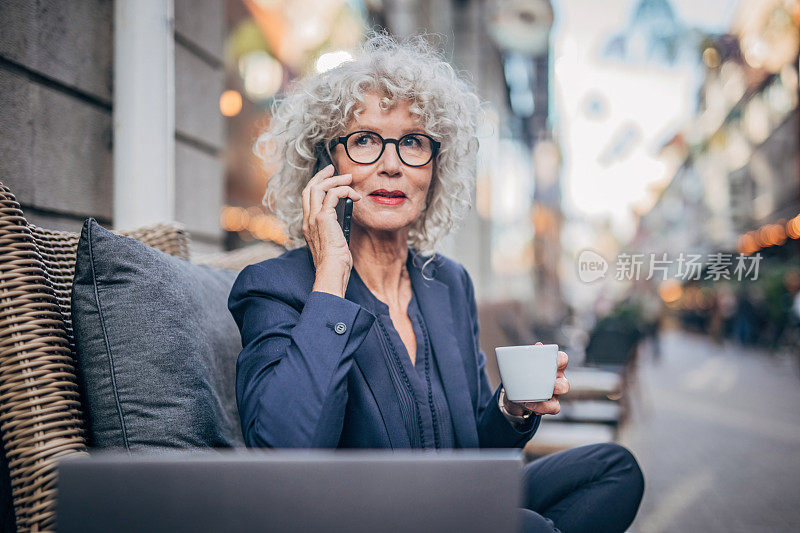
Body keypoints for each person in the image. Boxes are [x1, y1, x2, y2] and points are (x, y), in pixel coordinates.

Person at [228, 32, 644, 533]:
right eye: (363, 140)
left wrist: (512, 409)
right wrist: (331, 278)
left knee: (614, 470)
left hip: (456, 502)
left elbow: (475, 451)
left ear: (434, 170)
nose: (391, 163)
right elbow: (284, 453)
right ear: (326, 166)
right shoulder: (274, 286)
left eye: (412, 142)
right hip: (364, 519)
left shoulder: (447, 283)